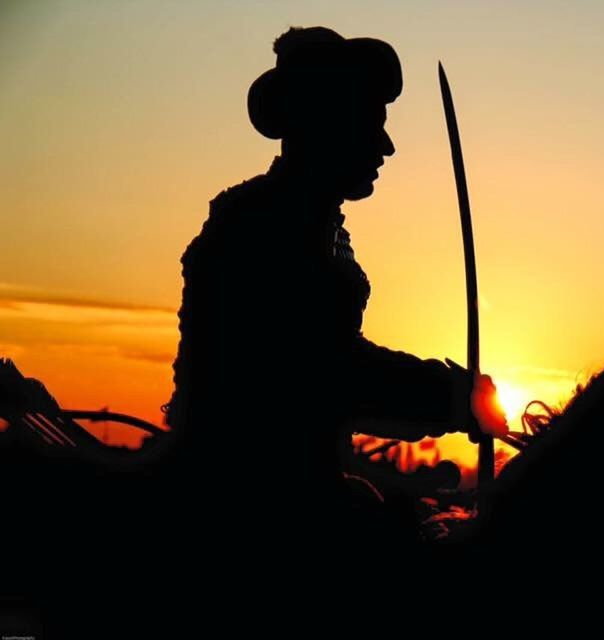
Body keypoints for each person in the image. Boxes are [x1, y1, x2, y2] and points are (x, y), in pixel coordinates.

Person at [162, 26, 507, 506]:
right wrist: (452, 395)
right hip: (244, 495)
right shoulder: (260, 224)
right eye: (370, 123)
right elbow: (324, 372)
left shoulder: (313, 226)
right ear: (326, 121)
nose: (386, 146)